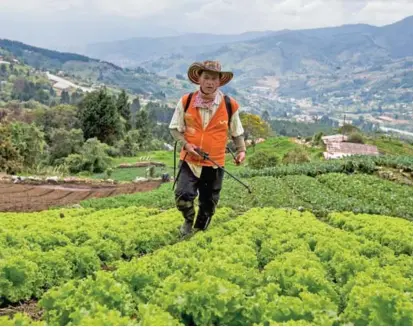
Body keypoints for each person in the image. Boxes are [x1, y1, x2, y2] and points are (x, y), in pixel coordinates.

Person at [169, 60, 247, 236]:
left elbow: (237, 132)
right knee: (182, 196)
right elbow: (174, 128)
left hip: (214, 162)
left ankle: (199, 231)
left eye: (214, 79)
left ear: (219, 82)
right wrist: (186, 145)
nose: (210, 82)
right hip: (189, 160)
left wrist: (241, 151)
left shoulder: (229, 105)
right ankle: (188, 220)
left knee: (208, 202)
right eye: (206, 77)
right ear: (199, 79)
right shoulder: (186, 101)